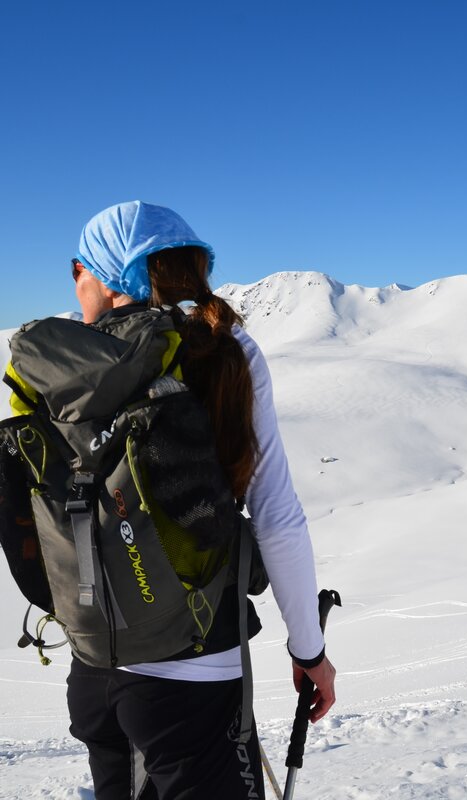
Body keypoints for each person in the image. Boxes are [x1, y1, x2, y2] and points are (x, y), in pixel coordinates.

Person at [60, 200, 336, 799]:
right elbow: (276, 515)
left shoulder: (71, 367)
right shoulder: (222, 349)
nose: (75, 288)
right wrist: (308, 650)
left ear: (109, 276)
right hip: (194, 672)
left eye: (76, 270)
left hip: (95, 667)